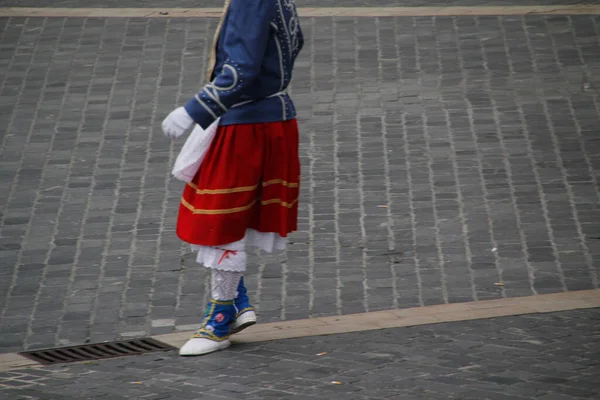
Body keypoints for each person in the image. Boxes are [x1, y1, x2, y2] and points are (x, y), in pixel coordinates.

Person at [161, 0, 303, 356]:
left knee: (220, 220)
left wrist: (194, 109)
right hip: (266, 119)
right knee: (216, 215)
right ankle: (236, 302)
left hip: (247, 125)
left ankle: (220, 317)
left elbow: (241, 70)